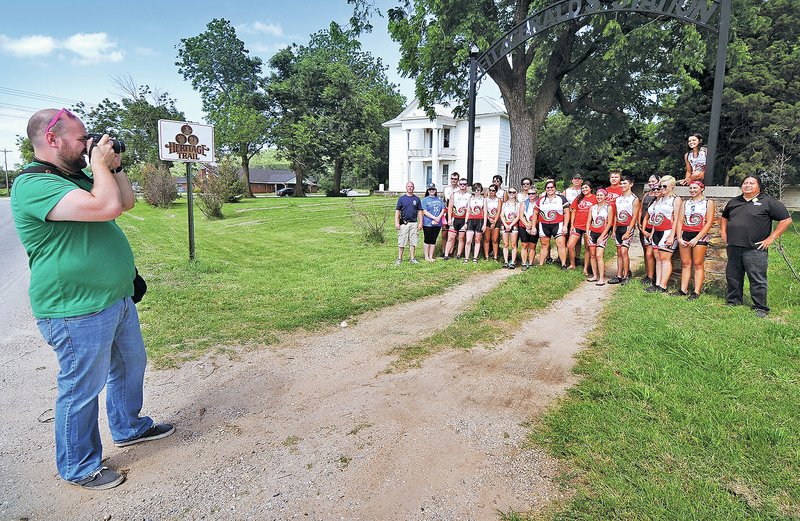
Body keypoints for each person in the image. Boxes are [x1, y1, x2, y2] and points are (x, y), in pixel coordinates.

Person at [10, 108, 174, 491]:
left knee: (129, 367)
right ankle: (79, 465)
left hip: (114, 299)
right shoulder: (33, 184)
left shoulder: (79, 176)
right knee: (82, 388)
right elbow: (106, 208)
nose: (88, 144)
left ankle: (129, 427)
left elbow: (127, 201)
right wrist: (98, 165)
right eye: (81, 138)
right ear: (52, 139)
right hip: (74, 310)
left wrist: (113, 166)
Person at [720, 175, 792, 317]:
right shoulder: (734, 201)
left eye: (751, 183)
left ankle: (760, 307)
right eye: (745, 183)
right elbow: (724, 217)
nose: (747, 185)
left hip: (755, 249)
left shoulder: (768, 202)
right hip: (734, 246)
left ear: (759, 186)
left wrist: (771, 238)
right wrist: (723, 233)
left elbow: (786, 220)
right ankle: (734, 300)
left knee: (757, 278)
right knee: (733, 276)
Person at [676, 181, 716, 298]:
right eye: (690, 188)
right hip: (685, 234)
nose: (692, 190)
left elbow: (709, 222)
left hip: (700, 235)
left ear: (701, 188)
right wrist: (679, 237)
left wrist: (697, 238)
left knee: (698, 264)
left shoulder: (708, 202)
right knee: (685, 263)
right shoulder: (685, 203)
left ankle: (696, 292)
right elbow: (679, 220)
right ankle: (683, 289)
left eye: (695, 188)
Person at [643, 175, 681, 292]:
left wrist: (672, 235)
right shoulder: (660, 199)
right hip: (657, 231)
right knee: (658, 258)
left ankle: (663, 285)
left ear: (672, 186)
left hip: (668, 231)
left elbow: (676, 219)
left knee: (665, 258)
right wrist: (652, 232)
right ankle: (657, 283)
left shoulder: (676, 199)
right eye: (660, 186)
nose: (662, 188)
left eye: (665, 186)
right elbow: (656, 218)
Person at [608, 175, 640, 285]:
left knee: (624, 251)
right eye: (621, 184)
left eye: (625, 183)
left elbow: (634, 217)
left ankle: (626, 275)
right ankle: (619, 275)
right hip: (618, 227)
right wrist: (613, 230)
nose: (622, 185)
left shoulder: (634, 199)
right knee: (618, 252)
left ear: (631, 184)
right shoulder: (618, 199)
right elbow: (616, 216)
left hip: (627, 227)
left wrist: (628, 231)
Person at [536, 179, 570, 269]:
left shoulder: (561, 198)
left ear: (555, 188)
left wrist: (565, 226)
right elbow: (536, 213)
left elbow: (567, 213)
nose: (550, 189)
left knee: (561, 244)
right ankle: (541, 265)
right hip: (544, 225)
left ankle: (563, 264)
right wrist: (533, 226)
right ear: (545, 189)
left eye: (552, 187)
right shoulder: (541, 199)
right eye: (548, 187)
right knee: (544, 245)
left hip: (558, 224)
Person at [585, 188, 614, 285]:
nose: (599, 197)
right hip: (592, 232)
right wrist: (587, 233)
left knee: (599, 255)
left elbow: (610, 223)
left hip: (602, 233)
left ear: (605, 196)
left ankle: (601, 278)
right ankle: (595, 275)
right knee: (592, 255)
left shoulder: (608, 207)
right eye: (597, 195)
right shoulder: (592, 207)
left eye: (601, 195)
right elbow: (589, 221)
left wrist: (602, 235)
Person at [567, 182, 596, 275]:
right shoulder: (579, 198)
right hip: (577, 225)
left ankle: (585, 268)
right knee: (570, 245)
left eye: (586, 187)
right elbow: (574, 211)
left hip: (589, 226)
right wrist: (572, 225)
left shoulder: (595, 198)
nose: (584, 189)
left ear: (590, 188)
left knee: (587, 248)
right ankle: (572, 264)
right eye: (583, 188)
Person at [395, 181, 423, 265]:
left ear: (413, 188)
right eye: (408, 186)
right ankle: (399, 258)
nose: (410, 188)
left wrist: (420, 222)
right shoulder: (401, 199)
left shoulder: (417, 199)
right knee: (402, 241)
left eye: (411, 186)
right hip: (404, 223)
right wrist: (396, 222)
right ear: (406, 188)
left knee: (413, 242)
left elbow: (420, 211)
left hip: (414, 223)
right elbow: (397, 211)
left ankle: (412, 258)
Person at [639, 175, 661, 285]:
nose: (652, 184)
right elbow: (641, 210)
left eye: (654, 181)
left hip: (654, 228)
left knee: (652, 253)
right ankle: (648, 273)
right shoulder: (646, 195)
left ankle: (654, 276)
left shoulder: (660, 197)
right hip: (644, 226)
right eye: (649, 182)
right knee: (646, 252)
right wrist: (640, 225)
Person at [445, 177, 470, 260]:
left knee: (461, 238)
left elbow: (469, 209)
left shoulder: (469, 196)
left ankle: (458, 254)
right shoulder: (454, 194)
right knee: (450, 238)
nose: (463, 185)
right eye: (461, 184)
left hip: (463, 219)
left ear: (467, 185)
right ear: (459, 184)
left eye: (464, 184)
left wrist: (466, 222)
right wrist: (449, 219)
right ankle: (446, 255)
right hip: (454, 218)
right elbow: (450, 207)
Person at [421, 184, 445, 262]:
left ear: (435, 190)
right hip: (428, 222)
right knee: (427, 239)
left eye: (433, 189)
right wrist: (434, 218)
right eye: (430, 189)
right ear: (428, 191)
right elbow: (424, 211)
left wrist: (438, 218)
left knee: (433, 239)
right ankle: (426, 256)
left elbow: (443, 209)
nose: (432, 191)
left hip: (438, 223)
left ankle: (431, 256)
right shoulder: (424, 200)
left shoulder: (439, 199)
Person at [518, 185, 539, 271]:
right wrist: (527, 224)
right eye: (529, 194)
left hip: (535, 226)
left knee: (532, 245)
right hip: (524, 225)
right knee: (524, 245)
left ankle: (530, 263)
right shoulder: (524, 203)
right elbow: (521, 215)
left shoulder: (539, 203)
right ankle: (523, 263)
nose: (531, 195)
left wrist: (532, 225)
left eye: (533, 194)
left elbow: (539, 216)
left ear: (536, 194)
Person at [464, 182, 486, 262]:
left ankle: (475, 258)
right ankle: (466, 258)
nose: (477, 191)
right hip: (470, 220)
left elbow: (485, 212)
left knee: (477, 240)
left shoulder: (483, 199)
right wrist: (465, 222)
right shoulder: (470, 199)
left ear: (481, 190)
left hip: (479, 220)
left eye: (478, 190)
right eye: (475, 190)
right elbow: (468, 211)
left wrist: (484, 224)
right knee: (468, 240)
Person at [441, 171, 461, 255]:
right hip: (446, 212)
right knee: (444, 233)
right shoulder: (446, 189)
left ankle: (451, 251)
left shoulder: (460, 189)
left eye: (455, 179)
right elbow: (443, 201)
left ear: (458, 180)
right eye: (452, 178)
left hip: (456, 213)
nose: (453, 180)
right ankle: (443, 250)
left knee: (453, 233)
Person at [501, 186, 520, 269]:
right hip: (505, 224)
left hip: (514, 225)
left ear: (516, 193)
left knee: (513, 244)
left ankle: (512, 262)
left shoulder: (518, 204)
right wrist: (505, 224)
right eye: (510, 192)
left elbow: (518, 216)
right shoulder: (504, 203)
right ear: (508, 193)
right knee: (505, 244)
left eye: (513, 192)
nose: (511, 194)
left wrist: (511, 225)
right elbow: (502, 215)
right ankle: (505, 261)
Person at [483, 183, 503, 261]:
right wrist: (488, 219)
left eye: (493, 190)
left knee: (495, 240)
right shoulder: (486, 199)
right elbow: (485, 210)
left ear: (496, 191)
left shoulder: (498, 200)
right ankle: (486, 256)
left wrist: (494, 221)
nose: (491, 192)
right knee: (486, 239)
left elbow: (498, 211)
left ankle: (495, 256)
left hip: (496, 220)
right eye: (490, 190)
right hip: (487, 220)